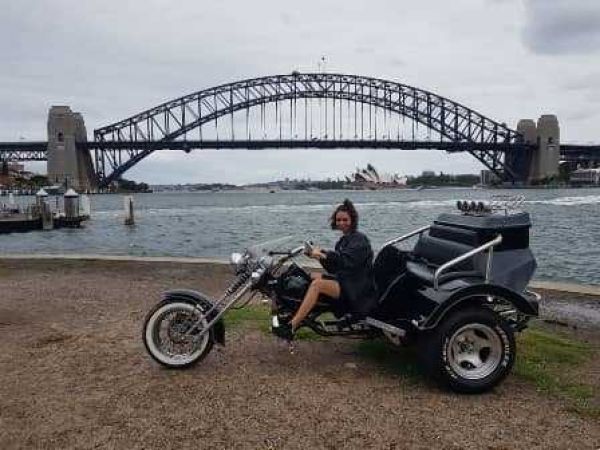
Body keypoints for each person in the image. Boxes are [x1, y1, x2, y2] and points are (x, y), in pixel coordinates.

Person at [273, 199, 375, 340]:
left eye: (345, 219)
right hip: (347, 282)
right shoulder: (344, 240)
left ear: (352, 220)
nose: (341, 223)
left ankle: (292, 326)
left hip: (356, 288)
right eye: (338, 220)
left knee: (317, 285)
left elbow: (344, 261)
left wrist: (322, 254)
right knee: (312, 276)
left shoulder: (359, 240)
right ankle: (299, 312)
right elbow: (334, 267)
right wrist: (317, 256)